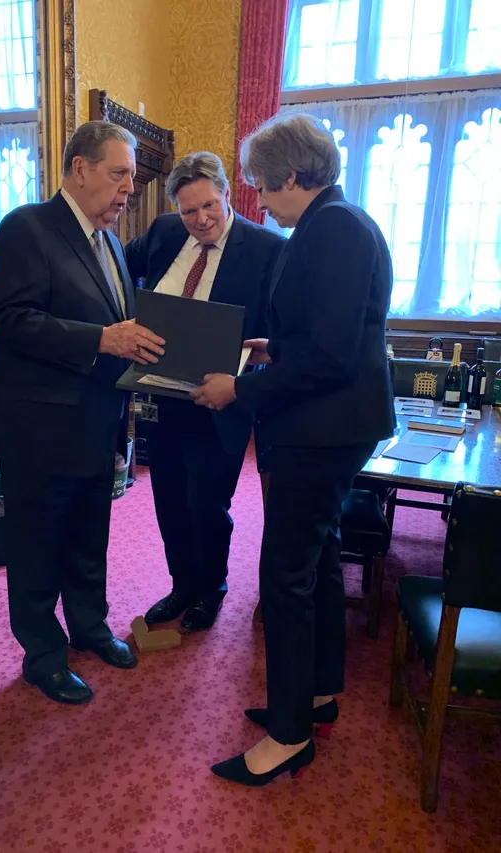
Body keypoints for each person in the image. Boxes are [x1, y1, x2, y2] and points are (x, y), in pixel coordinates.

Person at [191, 114, 395, 784]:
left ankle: (288, 735)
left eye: (259, 185)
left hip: (323, 426)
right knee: (320, 560)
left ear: (290, 176)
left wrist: (240, 391)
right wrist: (273, 347)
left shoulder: (332, 229)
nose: (258, 200)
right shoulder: (335, 222)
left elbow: (333, 356)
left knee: (285, 574)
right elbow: (329, 335)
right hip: (332, 420)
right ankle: (316, 695)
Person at [0, 121, 165, 705]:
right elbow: (12, 321)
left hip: (96, 423)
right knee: (38, 547)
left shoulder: (109, 241)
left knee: (90, 538)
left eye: (132, 181)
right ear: (80, 167)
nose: (127, 192)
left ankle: (89, 627)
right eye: (118, 176)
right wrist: (101, 340)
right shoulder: (27, 228)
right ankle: (43, 655)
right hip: (40, 429)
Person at [125, 152, 284, 632]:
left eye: (210, 206)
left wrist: (262, 358)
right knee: (168, 498)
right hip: (163, 394)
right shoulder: (164, 233)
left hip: (222, 400)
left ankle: (210, 589)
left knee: (208, 503)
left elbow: (284, 326)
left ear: (228, 195)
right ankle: (181, 586)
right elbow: (114, 268)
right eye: (189, 210)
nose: (201, 219)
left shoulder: (267, 249)